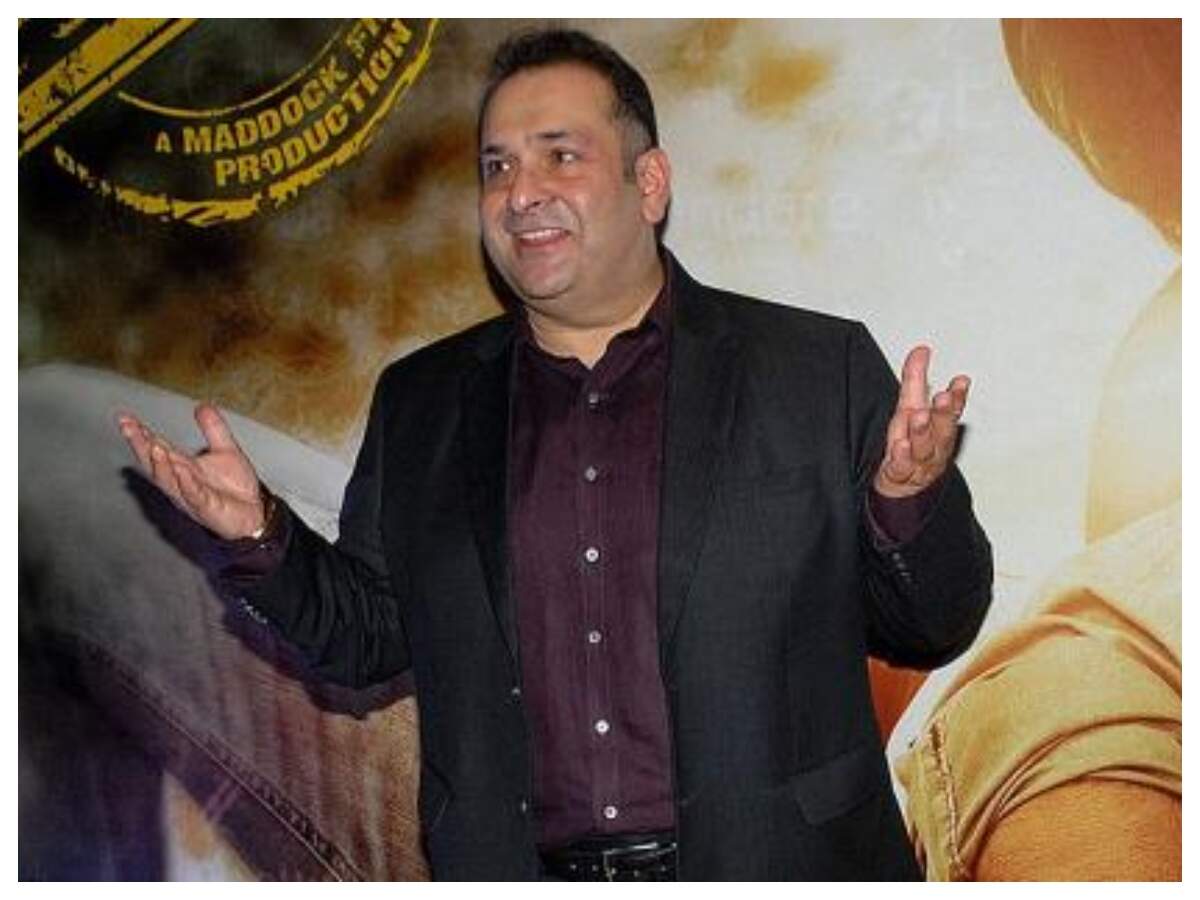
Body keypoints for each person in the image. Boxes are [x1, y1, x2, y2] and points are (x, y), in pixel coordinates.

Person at [117, 28, 992, 881]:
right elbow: (367, 635)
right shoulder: (423, 403)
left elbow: (937, 622)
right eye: (497, 167)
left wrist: (906, 501)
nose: (521, 193)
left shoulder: (814, 370)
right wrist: (262, 535)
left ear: (650, 183)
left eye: (560, 156)